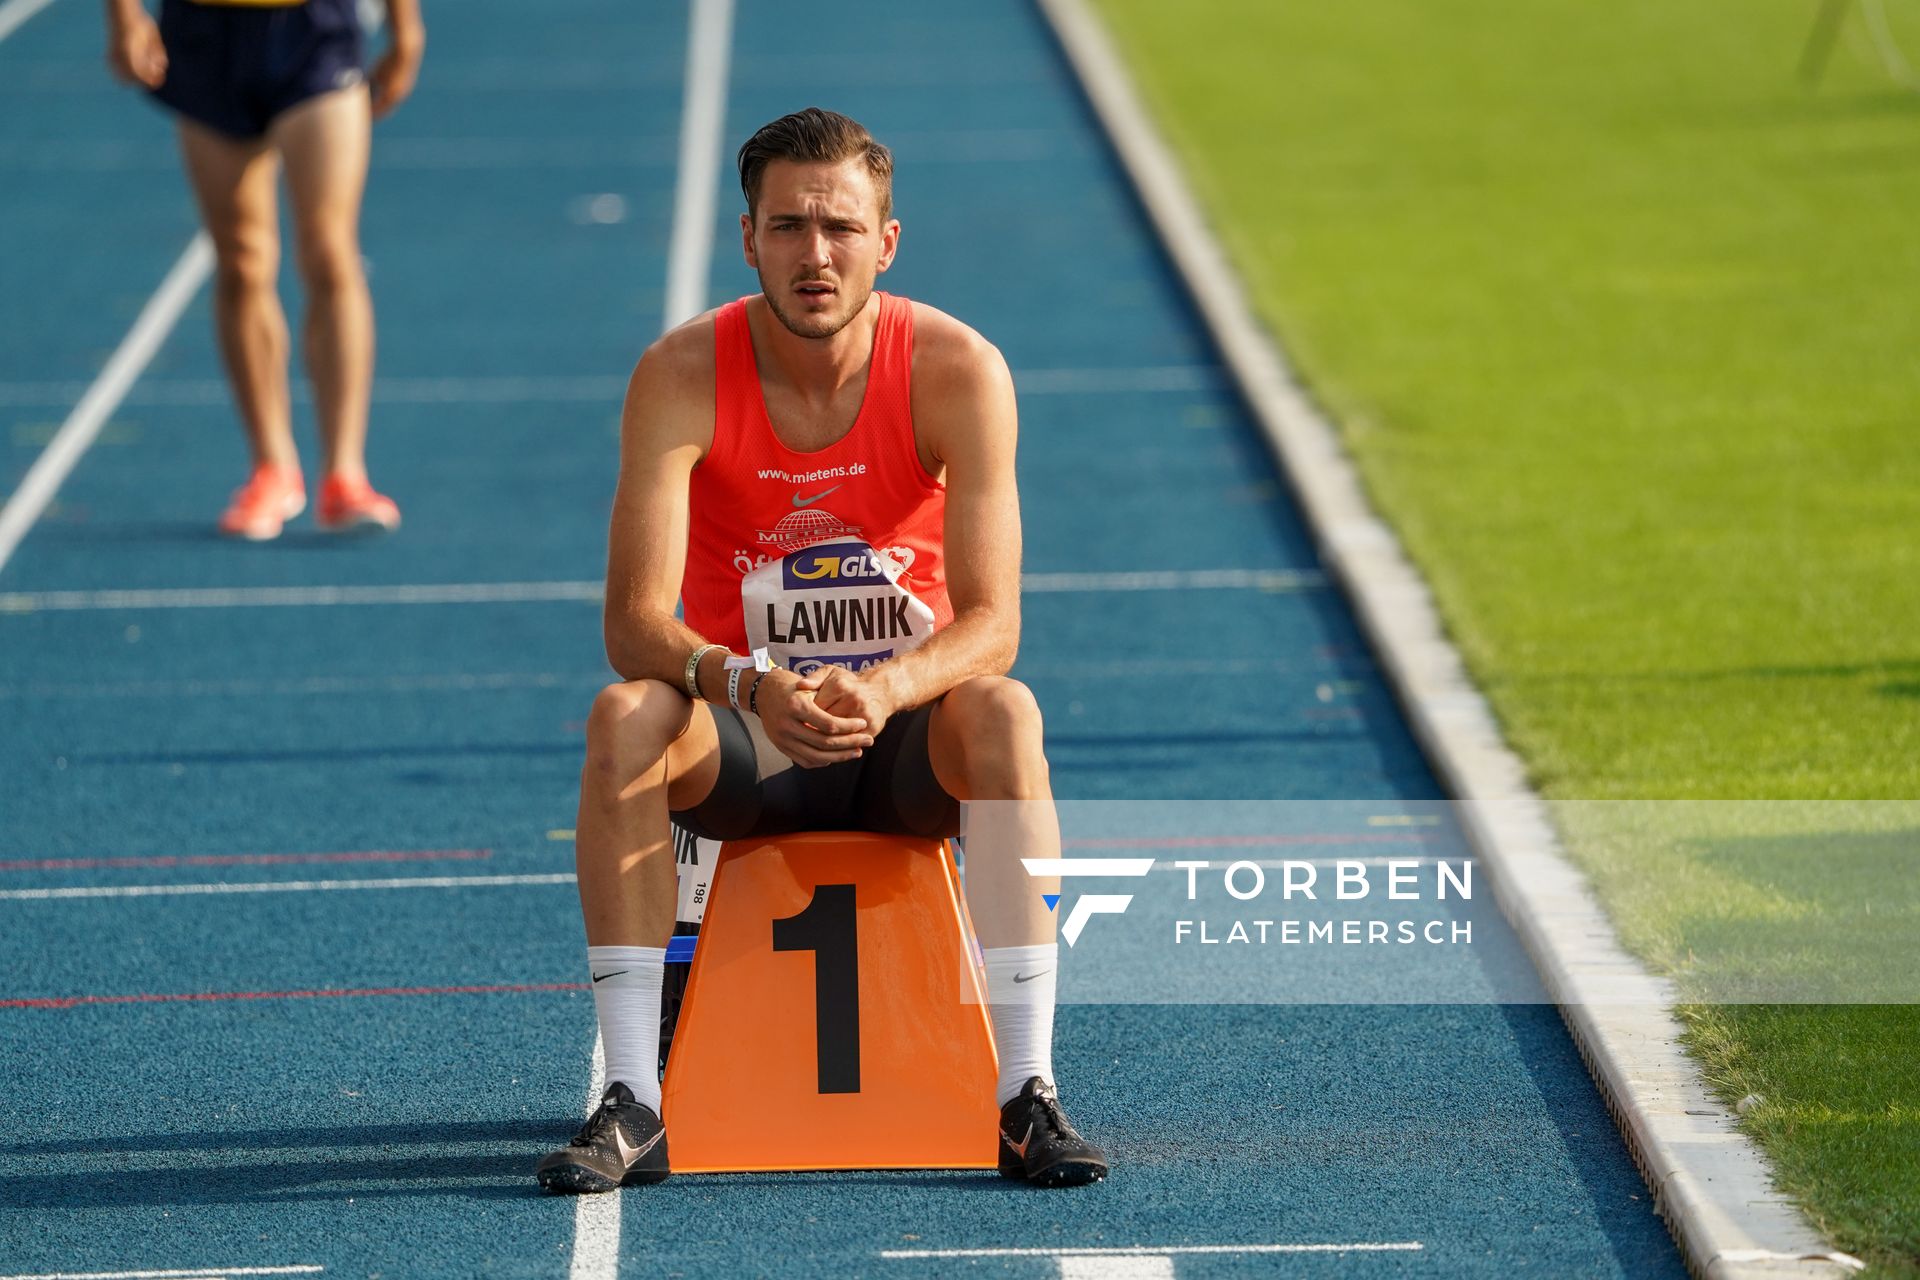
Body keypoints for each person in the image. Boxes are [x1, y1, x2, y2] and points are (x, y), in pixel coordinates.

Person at [536, 108, 1108, 1193]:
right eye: (789, 226)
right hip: (745, 745)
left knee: (1007, 710)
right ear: (746, 238)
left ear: (886, 242)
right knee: (624, 716)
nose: (815, 253)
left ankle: (1025, 1090)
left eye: (840, 227)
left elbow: (995, 621)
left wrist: (884, 685)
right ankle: (633, 1097)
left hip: (900, 746)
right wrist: (749, 681)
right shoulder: (680, 371)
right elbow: (633, 624)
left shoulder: (956, 369)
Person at [104, 0, 419, 539]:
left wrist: (406, 29)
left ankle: (345, 473)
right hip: (204, 31)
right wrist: (125, 17)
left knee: (327, 249)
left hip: (313, 27)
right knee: (242, 260)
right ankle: (272, 466)